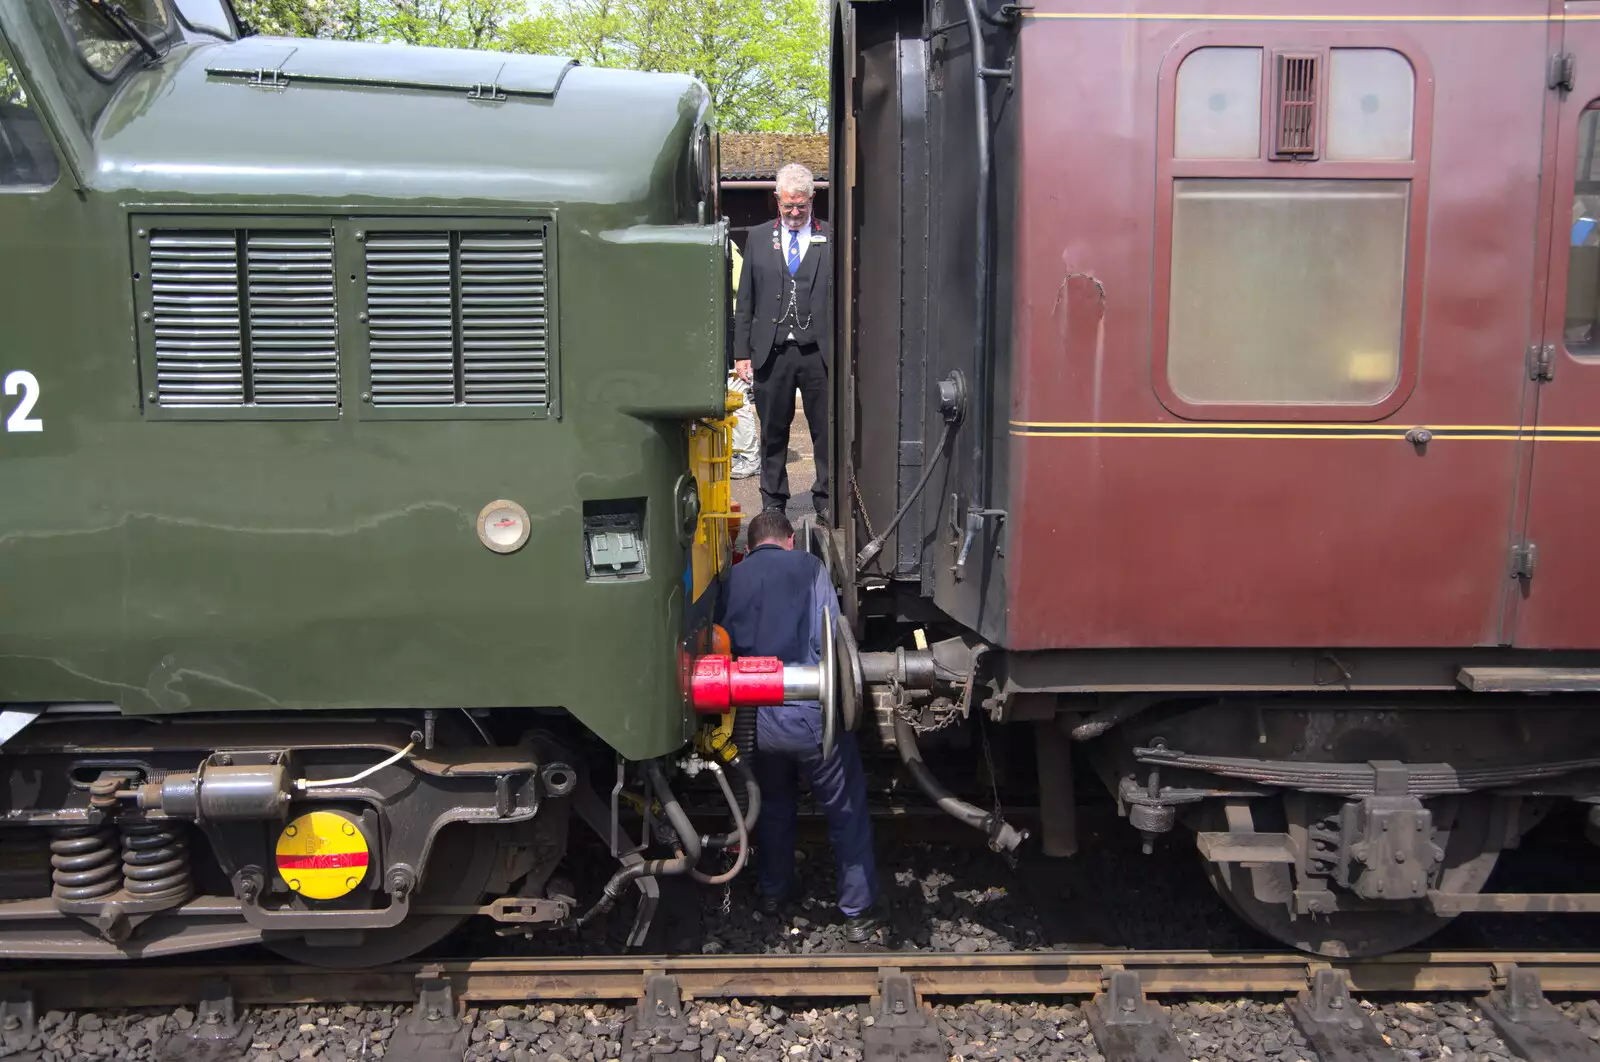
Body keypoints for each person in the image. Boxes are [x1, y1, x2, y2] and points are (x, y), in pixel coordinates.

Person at [717, 509, 883, 942]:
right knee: (846, 811)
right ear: (791, 539)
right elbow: (828, 635)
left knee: (772, 805)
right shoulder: (809, 566)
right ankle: (857, 911)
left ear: (749, 547)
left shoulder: (733, 578)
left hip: (754, 721)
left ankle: (774, 892)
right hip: (810, 713)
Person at [733, 163, 832, 524]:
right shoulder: (758, 238)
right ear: (777, 199)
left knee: (825, 430)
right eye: (788, 205)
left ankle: (824, 496)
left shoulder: (831, 237)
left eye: (801, 206)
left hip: (818, 353)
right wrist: (741, 353)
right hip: (771, 352)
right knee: (773, 431)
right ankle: (773, 499)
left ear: (812, 200)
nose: (794, 213)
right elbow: (746, 299)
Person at [727, 239, 760, 479]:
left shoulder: (726, 247)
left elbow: (743, 285)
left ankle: (749, 458)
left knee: (736, 397)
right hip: (726, 328)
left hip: (732, 329)